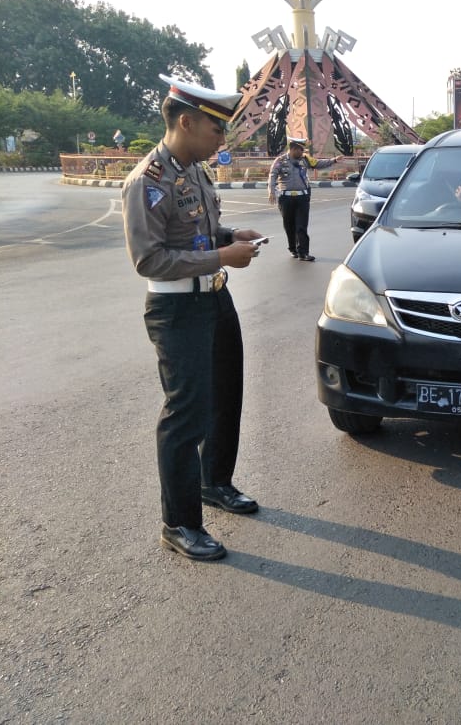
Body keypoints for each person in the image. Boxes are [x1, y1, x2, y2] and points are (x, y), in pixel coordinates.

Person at [122, 75, 265, 562]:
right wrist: (224, 256)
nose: (222, 141)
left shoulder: (193, 170)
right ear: (186, 122)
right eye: (216, 131)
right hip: (177, 308)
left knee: (227, 394)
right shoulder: (148, 181)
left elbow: (194, 232)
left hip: (213, 298)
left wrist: (227, 235)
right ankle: (179, 523)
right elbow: (150, 259)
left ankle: (214, 482)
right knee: (186, 415)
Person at [268, 137, 341, 261]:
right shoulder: (280, 161)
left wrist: (333, 160)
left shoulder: (305, 159)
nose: (302, 153)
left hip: (302, 198)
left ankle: (304, 252)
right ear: (293, 149)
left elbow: (318, 163)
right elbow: (272, 175)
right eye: (300, 150)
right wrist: (271, 191)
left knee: (301, 225)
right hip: (286, 199)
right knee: (289, 226)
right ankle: (293, 248)